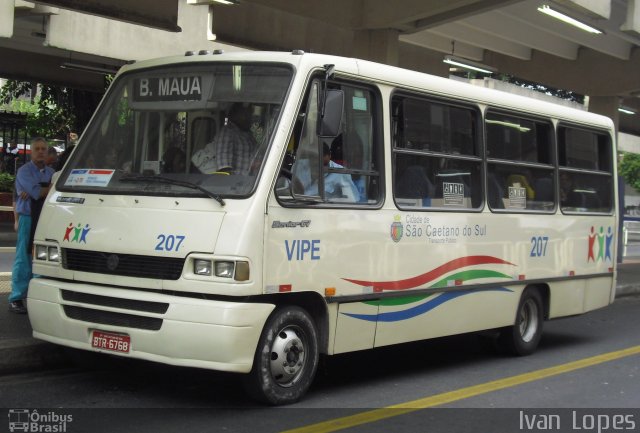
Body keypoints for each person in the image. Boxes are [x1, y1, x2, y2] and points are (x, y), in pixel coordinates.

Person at [9, 137, 54, 314]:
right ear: (31, 151)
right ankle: (16, 298)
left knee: (43, 257)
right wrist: (46, 189)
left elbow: (44, 193)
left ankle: (38, 297)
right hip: (28, 217)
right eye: (37, 149)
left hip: (45, 218)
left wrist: (41, 190)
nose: (41, 151)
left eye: (44, 148)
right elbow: (38, 193)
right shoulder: (24, 171)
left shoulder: (52, 172)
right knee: (23, 257)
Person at [192, 103, 258, 174]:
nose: (251, 118)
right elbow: (224, 168)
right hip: (235, 183)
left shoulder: (248, 135)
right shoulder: (228, 132)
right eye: (248, 114)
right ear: (240, 115)